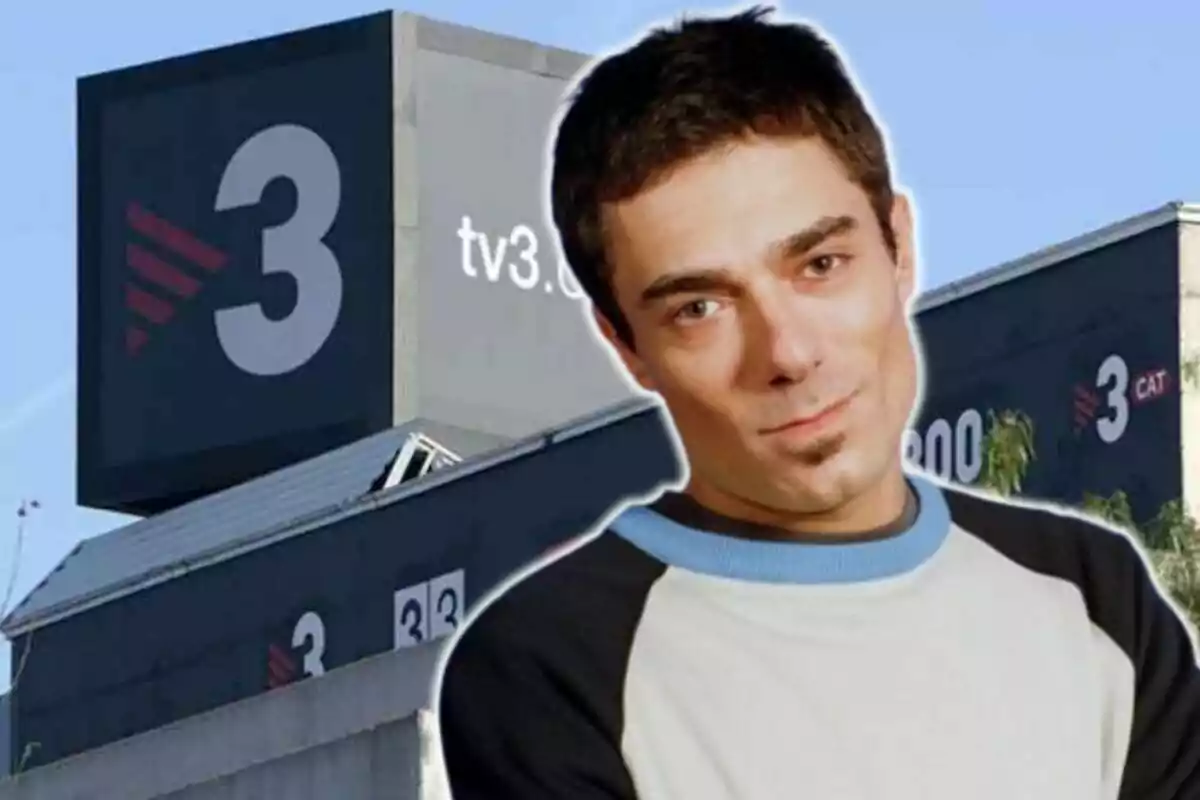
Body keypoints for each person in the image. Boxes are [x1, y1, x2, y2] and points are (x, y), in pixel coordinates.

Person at [432, 6, 1200, 799]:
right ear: (626, 345)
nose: (789, 354)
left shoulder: (1095, 600)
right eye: (700, 308)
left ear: (898, 246)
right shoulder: (549, 664)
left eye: (821, 263)